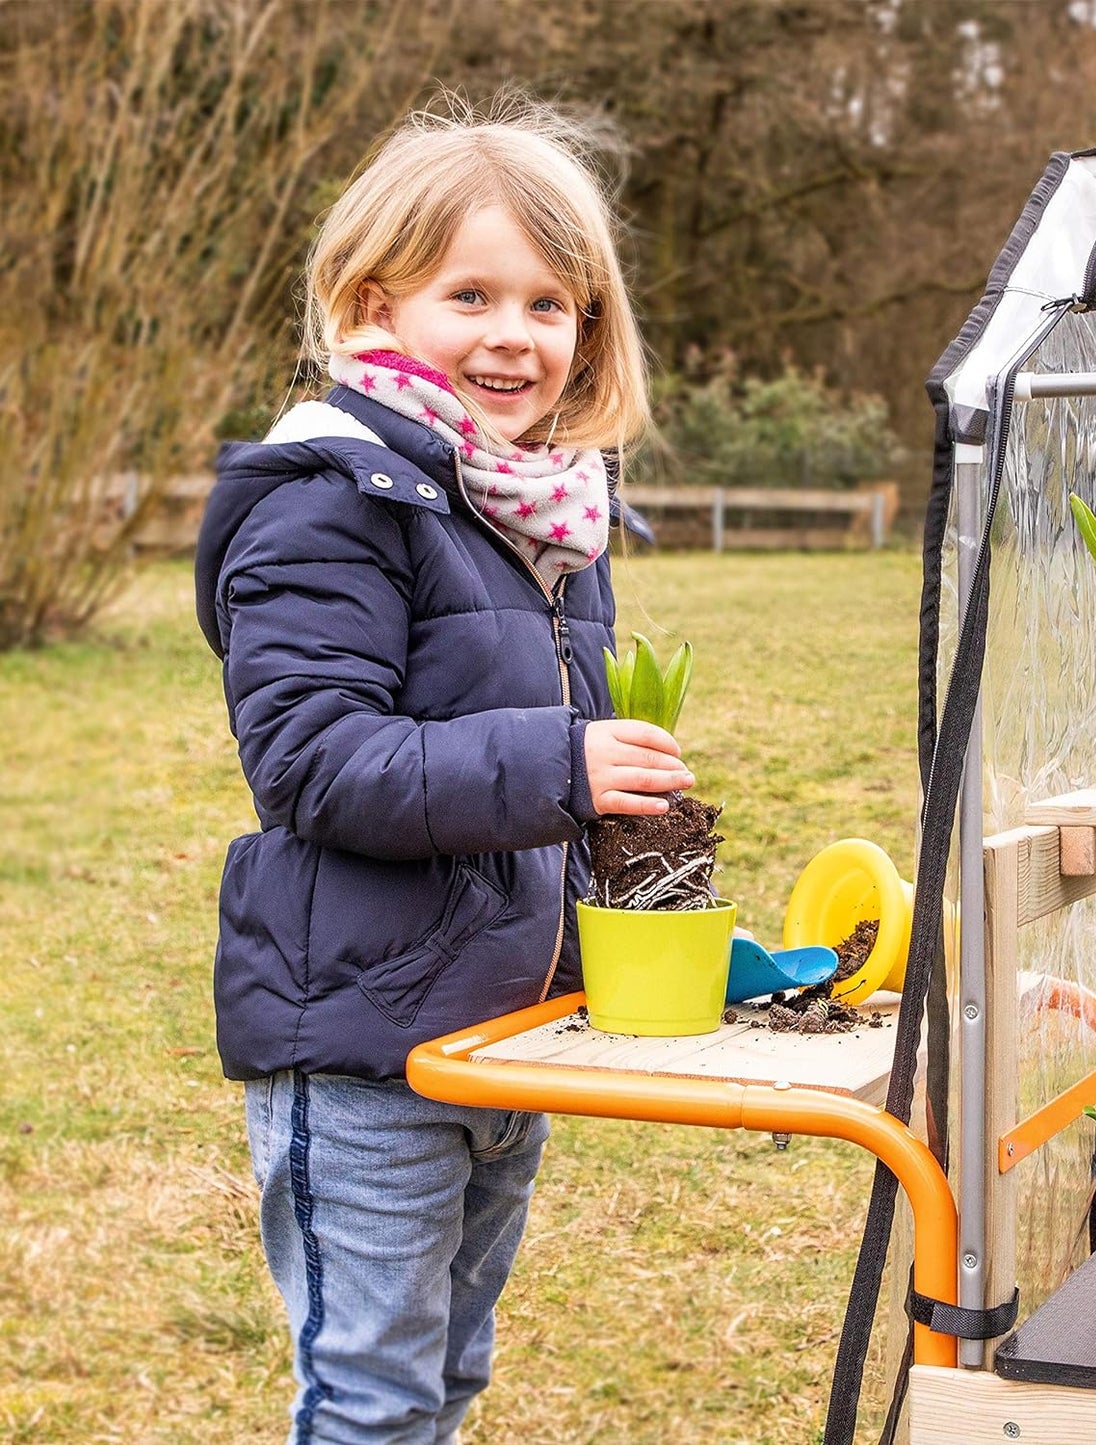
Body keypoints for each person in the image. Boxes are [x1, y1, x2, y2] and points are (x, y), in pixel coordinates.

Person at [194, 96, 694, 1444]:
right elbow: (311, 759)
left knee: (448, 1379)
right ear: (373, 301)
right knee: (372, 1398)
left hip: (494, 1038)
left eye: (550, 303)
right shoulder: (330, 495)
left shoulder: (542, 515)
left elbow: (549, 796)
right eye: (469, 292)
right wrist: (560, 761)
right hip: (357, 1048)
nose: (513, 334)